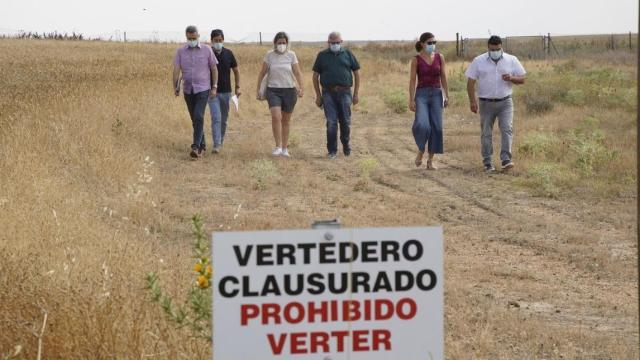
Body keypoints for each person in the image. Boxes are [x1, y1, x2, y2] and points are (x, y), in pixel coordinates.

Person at [466, 35, 526, 172]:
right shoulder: (478, 61)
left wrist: (511, 78)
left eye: (498, 49)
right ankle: (487, 162)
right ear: (488, 48)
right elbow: (470, 82)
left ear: (501, 47)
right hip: (486, 103)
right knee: (486, 133)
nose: (495, 52)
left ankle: (506, 159)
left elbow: (522, 79)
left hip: (505, 102)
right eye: (493, 50)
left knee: (507, 129)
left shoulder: (511, 60)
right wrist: (472, 101)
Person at [312, 31, 361, 159]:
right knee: (331, 121)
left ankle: (346, 145)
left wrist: (355, 94)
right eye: (332, 43)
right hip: (328, 93)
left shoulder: (348, 54)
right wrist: (318, 96)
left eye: (337, 42)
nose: (335, 44)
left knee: (345, 121)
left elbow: (356, 73)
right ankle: (332, 150)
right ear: (328, 42)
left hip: (345, 92)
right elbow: (315, 76)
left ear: (341, 42)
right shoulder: (322, 56)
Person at [255, 32, 304, 157]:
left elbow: (297, 72)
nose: (281, 45)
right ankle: (277, 146)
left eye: (284, 43)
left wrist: (301, 87)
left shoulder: (291, 55)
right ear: (275, 43)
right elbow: (262, 73)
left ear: (287, 43)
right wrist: (258, 90)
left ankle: (284, 148)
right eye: (279, 43)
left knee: (286, 120)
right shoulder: (269, 55)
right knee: (276, 117)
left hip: (289, 90)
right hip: (273, 90)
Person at [173, 25, 218, 159]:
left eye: (193, 38)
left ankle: (195, 146)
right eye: (189, 38)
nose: (191, 40)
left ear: (198, 36)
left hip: (203, 89)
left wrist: (214, 86)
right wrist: (175, 86)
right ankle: (202, 146)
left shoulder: (207, 50)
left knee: (198, 116)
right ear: (186, 37)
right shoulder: (181, 51)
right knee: (195, 119)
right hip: (188, 89)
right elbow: (176, 70)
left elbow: (214, 69)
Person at [408, 32, 449, 169]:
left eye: (434, 42)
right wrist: (411, 99)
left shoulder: (439, 57)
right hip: (422, 95)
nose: (432, 45)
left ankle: (430, 161)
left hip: (437, 94)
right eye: (429, 43)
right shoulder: (416, 60)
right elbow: (413, 80)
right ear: (422, 44)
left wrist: (446, 95)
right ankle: (421, 149)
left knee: (437, 127)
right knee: (422, 124)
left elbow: (443, 77)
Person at [208, 29, 240, 154]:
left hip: (226, 92)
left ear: (223, 40)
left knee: (224, 119)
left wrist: (238, 87)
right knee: (216, 117)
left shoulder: (229, 53)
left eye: (220, 40)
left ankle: (220, 140)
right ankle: (216, 144)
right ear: (211, 41)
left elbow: (236, 71)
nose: (218, 43)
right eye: (215, 40)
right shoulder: (208, 53)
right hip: (212, 92)